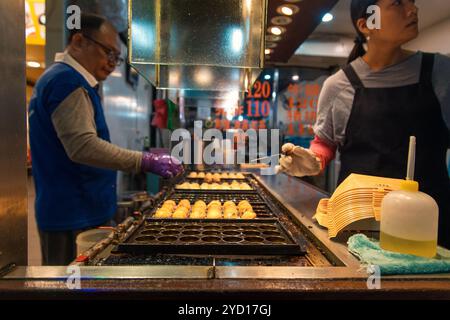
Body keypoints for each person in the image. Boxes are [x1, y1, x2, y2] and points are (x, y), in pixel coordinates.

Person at [279, 0, 450, 248]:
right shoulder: (339, 85)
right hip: (358, 226)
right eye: (398, 3)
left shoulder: (441, 71)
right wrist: (314, 161)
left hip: (429, 227)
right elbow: (325, 143)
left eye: (412, 2)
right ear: (366, 23)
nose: (413, 9)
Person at [28, 13, 183, 265]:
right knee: (72, 285)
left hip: (75, 211)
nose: (112, 63)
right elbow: (82, 147)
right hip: (73, 215)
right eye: (108, 52)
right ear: (78, 41)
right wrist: (144, 161)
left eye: (117, 57)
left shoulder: (63, 80)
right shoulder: (66, 81)